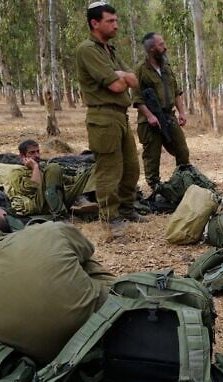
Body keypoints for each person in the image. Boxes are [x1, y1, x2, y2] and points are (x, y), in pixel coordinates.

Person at [0, 183, 115, 365]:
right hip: (117, 332)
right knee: (80, 259)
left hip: (52, 375)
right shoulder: (49, 232)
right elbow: (87, 251)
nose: (3, 212)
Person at [76, 1, 145, 238]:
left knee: (131, 168)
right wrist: (121, 78)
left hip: (120, 116)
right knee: (109, 170)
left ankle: (127, 209)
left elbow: (134, 80)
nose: (116, 25)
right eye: (110, 21)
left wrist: (122, 75)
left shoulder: (110, 50)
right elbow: (116, 86)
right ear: (95, 23)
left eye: (116, 20)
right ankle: (110, 218)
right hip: (102, 116)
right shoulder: (88, 50)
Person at [132, 32, 191, 190]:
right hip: (149, 121)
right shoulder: (140, 69)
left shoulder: (166, 67)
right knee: (152, 156)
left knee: (182, 151)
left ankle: (182, 181)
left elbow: (176, 92)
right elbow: (137, 98)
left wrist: (182, 112)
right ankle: (155, 188)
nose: (165, 47)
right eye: (161, 44)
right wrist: (150, 116)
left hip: (169, 116)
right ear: (152, 49)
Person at [6, 139, 98, 218]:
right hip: (41, 204)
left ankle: (85, 199)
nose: (37, 155)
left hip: (60, 197)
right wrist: (35, 168)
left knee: (96, 166)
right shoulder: (16, 172)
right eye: (32, 153)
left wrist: (83, 178)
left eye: (38, 151)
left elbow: (68, 180)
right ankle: (60, 214)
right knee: (53, 167)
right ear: (22, 156)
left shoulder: (43, 167)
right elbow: (33, 189)